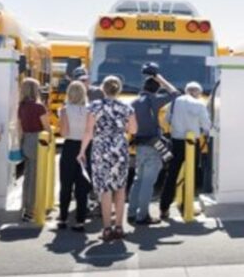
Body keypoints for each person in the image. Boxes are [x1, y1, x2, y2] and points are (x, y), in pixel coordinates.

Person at [79, 76, 137, 242]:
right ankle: (119, 226)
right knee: (120, 187)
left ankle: (106, 229)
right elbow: (133, 129)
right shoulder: (126, 106)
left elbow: (88, 131)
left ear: (103, 89)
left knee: (105, 189)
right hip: (120, 148)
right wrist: (122, 127)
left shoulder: (94, 106)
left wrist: (82, 151)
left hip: (101, 148)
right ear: (118, 89)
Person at [128, 69, 179, 226]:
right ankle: (143, 216)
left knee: (138, 180)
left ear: (143, 87)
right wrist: (160, 78)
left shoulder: (133, 103)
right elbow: (175, 93)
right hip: (154, 145)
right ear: (156, 89)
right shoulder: (154, 100)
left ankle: (131, 212)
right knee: (148, 183)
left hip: (140, 146)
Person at [160, 81, 212, 220]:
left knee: (172, 174)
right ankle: (186, 207)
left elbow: (167, 119)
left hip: (176, 141)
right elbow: (206, 125)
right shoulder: (199, 104)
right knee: (190, 174)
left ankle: (164, 208)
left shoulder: (174, 102)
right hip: (191, 143)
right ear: (196, 92)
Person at [58, 81, 92, 230]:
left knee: (66, 185)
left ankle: (63, 219)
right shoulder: (90, 110)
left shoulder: (65, 110)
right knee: (82, 186)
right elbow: (91, 132)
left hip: (70, 147)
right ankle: (80, 220)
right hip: (86, 147)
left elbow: (64, 133)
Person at [18, 78, 50, 222]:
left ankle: (25, 207)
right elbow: (46, 127)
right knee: (35, 176)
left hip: (25, 140)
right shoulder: (39, 107)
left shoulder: (21, 106)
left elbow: (19, 127)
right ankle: (31, 211)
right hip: (37, 140)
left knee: (28, 175)